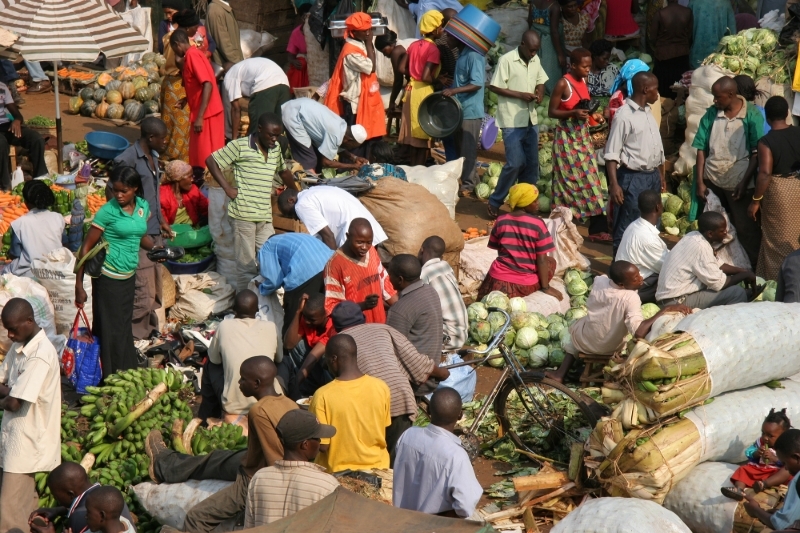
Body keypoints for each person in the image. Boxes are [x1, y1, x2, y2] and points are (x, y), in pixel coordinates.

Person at [180, 356, 298, 533]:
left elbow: (273, 457)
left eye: (243, 379)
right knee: (217, 459)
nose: (239, 382)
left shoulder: (258, 411)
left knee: (195, 518)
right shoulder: (289, 403)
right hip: (261, 469)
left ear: (256, 383)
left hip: (252, 480)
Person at [76, 166, 163, 377]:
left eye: (124, 191)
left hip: (128, 276)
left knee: (123, 327)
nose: (118, 195)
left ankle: (126, 370)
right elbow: (85, 249)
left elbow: (138, 234)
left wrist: (156, 249)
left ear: (135, 189)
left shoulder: (142, 207)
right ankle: (109, 376)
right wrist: (78, 286)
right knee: (109, 329)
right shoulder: (108, 212)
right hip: (108, 278)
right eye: (115, 190)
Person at [329, 301, 448, 453]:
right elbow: (415, 360)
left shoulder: (337, 343)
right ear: (363, 317)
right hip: (398, 398)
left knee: (370, 453)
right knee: (395, 456)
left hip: (366, 405)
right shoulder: (383, 329)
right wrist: (442, 373)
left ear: (336, 326)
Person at [550, 261, 692, 382]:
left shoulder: (599, 281)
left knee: (577, 326)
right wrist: (663, 310)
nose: (641, 278)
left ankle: (560, 373)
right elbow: (639, 333)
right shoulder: (630, 298)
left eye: (638, 274)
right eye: (635, 278)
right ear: (621, 284)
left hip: (586, 339)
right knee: (582, 326)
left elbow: (608, 274)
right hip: (610, 348)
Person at [207, 113, 293, 291]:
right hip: (243, 216)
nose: (274, 139)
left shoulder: (275, 148)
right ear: (259, 129)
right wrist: (227, 188)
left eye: (277, 135)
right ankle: (245, 308)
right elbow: (211, 161)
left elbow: (283, 172)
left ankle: (263, 303)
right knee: (246, 267)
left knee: (270, 260)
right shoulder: (239, 146)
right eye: (271, 135)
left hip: (264, 216)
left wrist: (297, 192)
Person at [0, 298, 60, 533]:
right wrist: (10, 392)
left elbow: (15, 403)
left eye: (13, 329)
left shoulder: (40, 356)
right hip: (14, 437)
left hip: (27, 442)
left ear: (29, 321)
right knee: (23, 506)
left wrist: (9, 394)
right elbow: (4, 384)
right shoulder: (19, 346)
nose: (10, 335)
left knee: (9, 511)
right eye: (7, 330)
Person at [693, 76, 764, 268]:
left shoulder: (751, 115)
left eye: (718, 97)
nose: (715, 101)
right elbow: (701, 148)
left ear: (731, 94)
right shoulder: (711, 114)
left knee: (745, 229)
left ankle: (753, 272)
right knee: (713, 230)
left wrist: (744, 183)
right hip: (713, 181)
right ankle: (714, 268)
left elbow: (757, 153)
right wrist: (700, 181)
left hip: (740, 183)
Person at [114, 117, 171, 340]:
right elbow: (113, 192)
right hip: (139, 235)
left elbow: (152, 194)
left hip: (154, 231)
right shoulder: (128, 159)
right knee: (143, 289)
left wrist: (162, 219)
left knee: (155, 288)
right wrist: (129, 223)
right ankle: (135, 337)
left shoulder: (153, 158)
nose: (166, 142)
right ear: (150, 137)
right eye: (163, 138)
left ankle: (149, 330)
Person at [393, 387, 482, 518]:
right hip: (433, 526)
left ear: (428, 410)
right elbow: (465, 507)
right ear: (460, 415)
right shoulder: (456, 456)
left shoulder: (408, 436)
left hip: (401, 520)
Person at [548, 48, 609, 241]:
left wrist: (593, 115)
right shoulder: (562, 84)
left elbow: (585, 104)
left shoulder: (583, 81)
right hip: (566, 140)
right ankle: (563, 225)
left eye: (589, 66)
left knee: (591, 180)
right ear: (572, 66)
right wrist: (572, 114)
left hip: (582, 138)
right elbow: (552, 112)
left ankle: (596, 228)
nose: (588, 70)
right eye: (584, 67)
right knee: (567, 182)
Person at [487, 31, 548, 220]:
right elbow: (494, 87)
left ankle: (525, 205)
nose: (533, 54)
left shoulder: (535, 59)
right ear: (522, 44)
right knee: (515, 162)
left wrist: (539, 92)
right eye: (530, 50)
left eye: (536, 51)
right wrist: (520, 95)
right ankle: (495, 201)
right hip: (512, 120)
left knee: (531, 165)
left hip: (530, 118)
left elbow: (541, 80)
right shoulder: (507, 60)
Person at [309, 334, 392, 472]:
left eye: (326, 359)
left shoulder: (322, 395)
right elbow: (383, 427)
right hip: (378, 470)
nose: (326, 364)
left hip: (339, 475)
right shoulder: (381, 387)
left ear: (334, 359)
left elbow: (323, 446)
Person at [244, 410, 339, 527]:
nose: (320, 443)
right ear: (305, 444)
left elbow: (249, 527)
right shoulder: (326, 484)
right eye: (318, 438)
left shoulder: (259, 478)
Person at [604, 72, 666, 254]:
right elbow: (611, 154)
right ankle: (620, 267)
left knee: (652, 223)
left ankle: (644, 263)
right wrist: (614, 185)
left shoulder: (647, 111)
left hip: (652, 176)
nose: (658, 93)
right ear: (645, 89)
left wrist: (661, 176)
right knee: (627, 224)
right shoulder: (624, 116)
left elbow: (656, 148)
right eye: (656, 89)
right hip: (633, 179)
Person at [202, 290, 280, 421]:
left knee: (209, 365)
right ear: (257, 310)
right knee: (285, 363)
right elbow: (279, 359)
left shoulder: (224, 326)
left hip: (234, 406)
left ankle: (208, 415)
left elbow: (215, 360)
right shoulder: (271, 326)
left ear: (233, 310)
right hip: (265, 398)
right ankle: (291, 402)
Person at [478, 183, 560, 301]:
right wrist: (546, 287)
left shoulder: (501, 220)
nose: (538, 203)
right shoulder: (537, 224)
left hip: (495, 279)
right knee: (550, 262)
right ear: (524, 204)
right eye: (534, 201)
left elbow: (498, 249)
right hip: (522, 285)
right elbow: (541, 260)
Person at [656, 211, 755, 308]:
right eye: (722, 231)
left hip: (670, 298)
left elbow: (718, 264)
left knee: (731, 290)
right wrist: (744, 275)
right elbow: (720, 284)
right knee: (737, 293)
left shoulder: (693, 236)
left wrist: (742, 271)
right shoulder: (701, 247)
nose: (725, 233)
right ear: (710, 234)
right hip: (676, 302)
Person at [748, 96, 800, 281]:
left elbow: (765, 174)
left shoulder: (765, 142)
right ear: (787, 114)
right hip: (798, 189)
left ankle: (780, 283)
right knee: (796, 237)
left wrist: (755, 201)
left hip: (780, 194)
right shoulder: (798, 132)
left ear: (767, 118)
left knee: (778, 240)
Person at [323, 12, 386, 154]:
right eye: (365, 31)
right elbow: (371, 67)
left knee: (369, 137)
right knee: (356, 141)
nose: (368, 33)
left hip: (364, 99)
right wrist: (370, 43)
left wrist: (368, 43)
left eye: (369, 29)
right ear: (353, 32)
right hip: (354, 103)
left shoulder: (359, 44)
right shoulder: (351, 52)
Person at [170, 29, 225, 180]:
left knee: (203, 156)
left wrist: (200, 116)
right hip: (208, 110)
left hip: (206, 114)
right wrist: (187, 99)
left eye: (174, 49)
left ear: (177, 45)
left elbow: (207, 84)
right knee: (207, 154)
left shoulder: (192, 56)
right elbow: (198, 83)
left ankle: (203, 187)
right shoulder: (194, 54)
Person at [323, 218, 397, 323]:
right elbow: (334, 308)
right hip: (356, 328)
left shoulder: (371, 252)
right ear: (348, 237)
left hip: (379, 323)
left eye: (369, 242)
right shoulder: (334, 266)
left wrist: (400, 307)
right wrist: (363, 306)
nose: (364, 247)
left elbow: (385, 283)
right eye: (359, 242)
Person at [258, 233, 334, 332]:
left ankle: (290, 346)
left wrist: (262, 287)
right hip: (331, 265)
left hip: (306, 271)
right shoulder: (293, 237)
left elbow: (273, 281)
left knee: (294, 319)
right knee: (322, 312)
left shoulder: (267, 246)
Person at [28, 462, 134, 533]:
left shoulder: (79, 518)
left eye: (56, 496)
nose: (86, 516)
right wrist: (59, 510)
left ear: (70, 494)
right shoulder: (109, 500)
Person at [443, 26, 486, 197]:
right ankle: (473, 181)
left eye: (449, 36)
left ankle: (467, 185)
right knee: (462, 148)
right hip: (460, 110)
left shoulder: (473, 56)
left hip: (471, 110)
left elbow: (477, 83)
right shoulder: (461, 55)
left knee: (468, 150)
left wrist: (454, 91)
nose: (446, 38)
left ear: (459, 38)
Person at [277, 186, 387, 250]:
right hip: (370, 233)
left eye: (290, 214)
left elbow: (328, 236)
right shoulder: (314, 191)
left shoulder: (301, 204)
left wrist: (332, 267)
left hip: (357, 239)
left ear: (291, 201)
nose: (295, 219)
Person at [401, 11, 446, 167]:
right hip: (423, 92)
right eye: (441, 28)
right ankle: (419, 170)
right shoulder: (433, 50)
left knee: (413, 138)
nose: (442, 30)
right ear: (434, 30)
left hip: (410, 90)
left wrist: (414, 74)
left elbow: (401, 68)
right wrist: (438, 79)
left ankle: (413, 168)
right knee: (422, 136)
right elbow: (427, 76)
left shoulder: (413, 45)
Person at [280, 98, 369, 174]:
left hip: (297, 106)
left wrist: (354, 158)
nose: (350, 149)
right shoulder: (335, 134)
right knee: (309, 160)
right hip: (294, 116)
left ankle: (311, 180)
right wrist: (353, 166)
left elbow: (338, 147)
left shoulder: (342, 126)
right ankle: (305, 185)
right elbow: (325, 162)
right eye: (352, 146)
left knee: (316, 155)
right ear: (348, 140)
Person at [386, 253, 443, 368]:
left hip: (416, 377)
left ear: (400, 279)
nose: (388, 278)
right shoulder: (430, 290)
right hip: (433, 366)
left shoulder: (399, 310)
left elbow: (392, 351)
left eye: (390, 275)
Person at [722, 409, 792, 500]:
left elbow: (789, 462)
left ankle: (764, 484)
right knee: (743, 469)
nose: (765, 438)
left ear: (783, 435)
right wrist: (756, 453)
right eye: (763, 433)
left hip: (775, 473)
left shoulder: (786, 445)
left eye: (770, 436)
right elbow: (749, 452)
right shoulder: (760, 442)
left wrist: (775, 458)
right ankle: (739, 490)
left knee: (786, 471)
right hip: (760, 470)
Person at [615, 190, 668, 304]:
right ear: (658, 207)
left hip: (627, 279)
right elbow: (669, 267)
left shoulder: (634, 225)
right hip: (636, 288)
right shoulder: (647, 239)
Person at [3, 180, 65, 278]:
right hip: (56, 267)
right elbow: (64, 243)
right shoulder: (58, 217)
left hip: (30, 270)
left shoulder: (20, 223)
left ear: (26, 203)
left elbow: (15, 253)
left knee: (4, 272)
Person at [743, 429, 800, 531]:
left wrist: (755, 510)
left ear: (796, 457)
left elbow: (780, 524)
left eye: (785, 463)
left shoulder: (798, 481)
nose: (785, 468)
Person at [419, 236, 468, 351]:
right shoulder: (446, 266)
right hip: (462, 333)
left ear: (422, 250)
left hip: (448, 339)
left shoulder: (424, 274)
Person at [205, 0, 245, 140]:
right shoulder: (216, 10)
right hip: (227, 65)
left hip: (231, 64)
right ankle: (226, 137)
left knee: (230, 103)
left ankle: (226, 136)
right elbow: (224, 42)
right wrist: (238, 63)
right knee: (229, 104)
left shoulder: (223, 8)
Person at [283, 294, 335, 399]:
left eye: (312, 319)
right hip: (314, 360)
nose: (307, 321)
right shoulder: (306, 319)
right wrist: (298, 312)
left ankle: (331, 393)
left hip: (328, 366)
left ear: (326, 314)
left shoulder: (332, 326)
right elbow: (288, 344)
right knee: (296, 346)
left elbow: (312, 359)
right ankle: (308, 389)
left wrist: (292, 387)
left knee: (326, 357)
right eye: (305, 316)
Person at [225, 58, 291, 138]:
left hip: (266, 83)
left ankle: (253, 149)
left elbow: (236, 109)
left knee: (259, 128)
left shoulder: (229, 75)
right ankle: (279, 149)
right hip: (284, 81)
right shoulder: (245, 66)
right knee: (278, 128)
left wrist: (234, 139)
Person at [0, 81, 47, 189]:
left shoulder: (2, 87)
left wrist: (17, 120)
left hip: (5, 125)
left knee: (36, 139)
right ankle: (5, 186)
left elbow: (18, 115)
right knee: (1, 144)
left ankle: (41, 178)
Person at [160, 15, 191, 163]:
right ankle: (175, 157)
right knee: (180, 124)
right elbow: (181, 62)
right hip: (179, 83)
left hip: (168, 82)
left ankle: (164, 153)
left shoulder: (167, 37)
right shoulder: (185, 43)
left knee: (168, 121)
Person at [649, 0, 693, 97]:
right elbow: (689, 34)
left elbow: (652, 37)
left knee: (664, 89)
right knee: (681, 86)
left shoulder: (660, 14)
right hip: (682, 54)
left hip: (664, 56)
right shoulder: (688, 12)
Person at [528, 0, 567, 95]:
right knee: (550, 69)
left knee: (535, 66)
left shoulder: (533, 2)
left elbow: (529, 21)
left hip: (534, 37)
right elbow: (554, 31)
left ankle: (536, 91)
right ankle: (549, 94)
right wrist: (560, 53)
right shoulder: (555, 6)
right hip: (549, 41)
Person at [376, 31, 417, 116]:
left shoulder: (396, 52)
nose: (384, 55)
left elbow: (398, 80)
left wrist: (392, 102)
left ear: (390, 44)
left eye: (384, 51)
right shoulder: (403, 43)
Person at [160, 160, 209, 226]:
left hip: (193, 230)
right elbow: (162, 222)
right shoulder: (163, 195)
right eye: (189, 177)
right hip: (173, 233)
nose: (192, 180)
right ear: (177, 178)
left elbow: (207, 208)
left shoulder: (193, 190)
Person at [688, 0, 736, 68]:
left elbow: (687, 33)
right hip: (718, 61)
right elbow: (732, 36)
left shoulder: (694, 3)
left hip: (696, 58)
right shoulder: (725, 3)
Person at [286, 4, 312, 91]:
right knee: (300, 64)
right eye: (305, 17)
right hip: (305, 58)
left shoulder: (318, 32)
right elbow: (290, 55)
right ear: (301, 18)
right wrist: (294, 61)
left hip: (318, 58)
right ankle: (296, 92)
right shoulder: (296, 33)